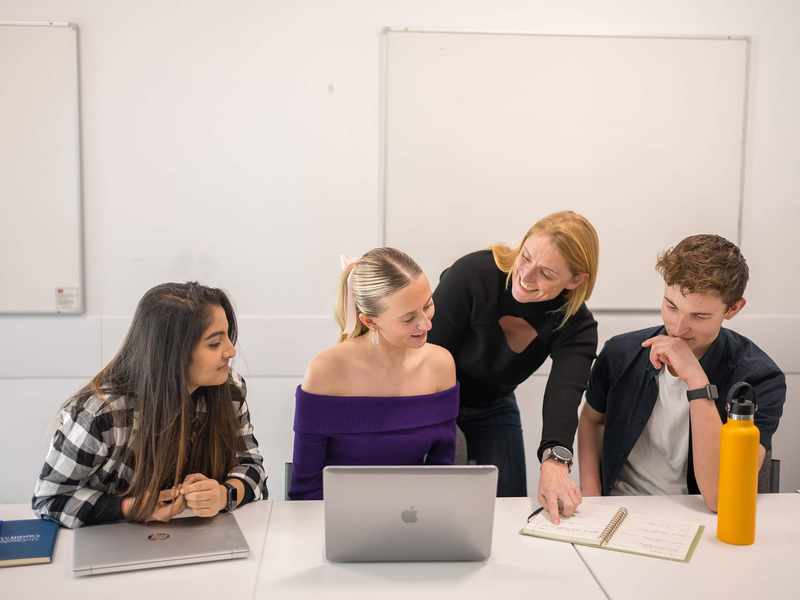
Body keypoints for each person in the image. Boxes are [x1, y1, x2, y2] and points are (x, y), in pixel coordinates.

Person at [32, 282, 267, 528]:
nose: (231, 351)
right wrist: (131, 508)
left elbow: (251, 466)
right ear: (173, 352)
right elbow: (49, 499)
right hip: (117, 542)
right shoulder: (99, 414)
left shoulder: (229, 390)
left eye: (228, 337)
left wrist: (224, 495)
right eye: (214, 343)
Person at [578, 234, 786, 511]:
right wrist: (592, 498)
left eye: (699, 316)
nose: (677, 328)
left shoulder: (760, 379)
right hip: (619, 509)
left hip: (700, 514)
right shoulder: (620, 353)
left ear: (733, 308)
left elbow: (721, 498)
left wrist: (697, 381)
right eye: (671, 306)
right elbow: (591, 420)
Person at [427, 211, 599, 522]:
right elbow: (426, 358)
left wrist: (555, 461)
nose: (526, 276)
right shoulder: (473, 274)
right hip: (433, 399)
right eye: (526, 257)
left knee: (509, 510)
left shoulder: (577, 325)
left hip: (493, 405)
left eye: (546, 273)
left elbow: (564, 394)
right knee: (431, 508)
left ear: (575, 280)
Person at [288, 248, 458, 500]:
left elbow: (441, 472)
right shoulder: (325, 371)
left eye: (428, 305)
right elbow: (305, 489)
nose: (426, 323)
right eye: (408, 318)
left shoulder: (440, 365)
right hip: (338, 514)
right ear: (369, 321)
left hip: (413, 514)